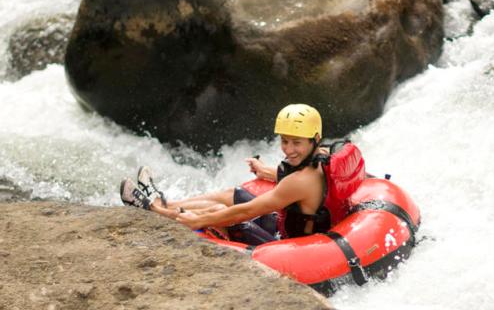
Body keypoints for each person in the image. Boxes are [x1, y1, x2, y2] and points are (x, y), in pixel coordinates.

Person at [120, 104, 339, 244]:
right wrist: (268, 172)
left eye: (296, 143)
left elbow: (246, 211)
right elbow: (302, 185)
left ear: (314, 138)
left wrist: (198, 220)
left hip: (288, 244)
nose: (288, 149)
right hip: (287, 226)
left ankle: (155, 210)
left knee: (219, 211)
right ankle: (165, 202)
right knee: (231, 194)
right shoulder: (323, 154)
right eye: (284, 141)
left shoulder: (300, 182)